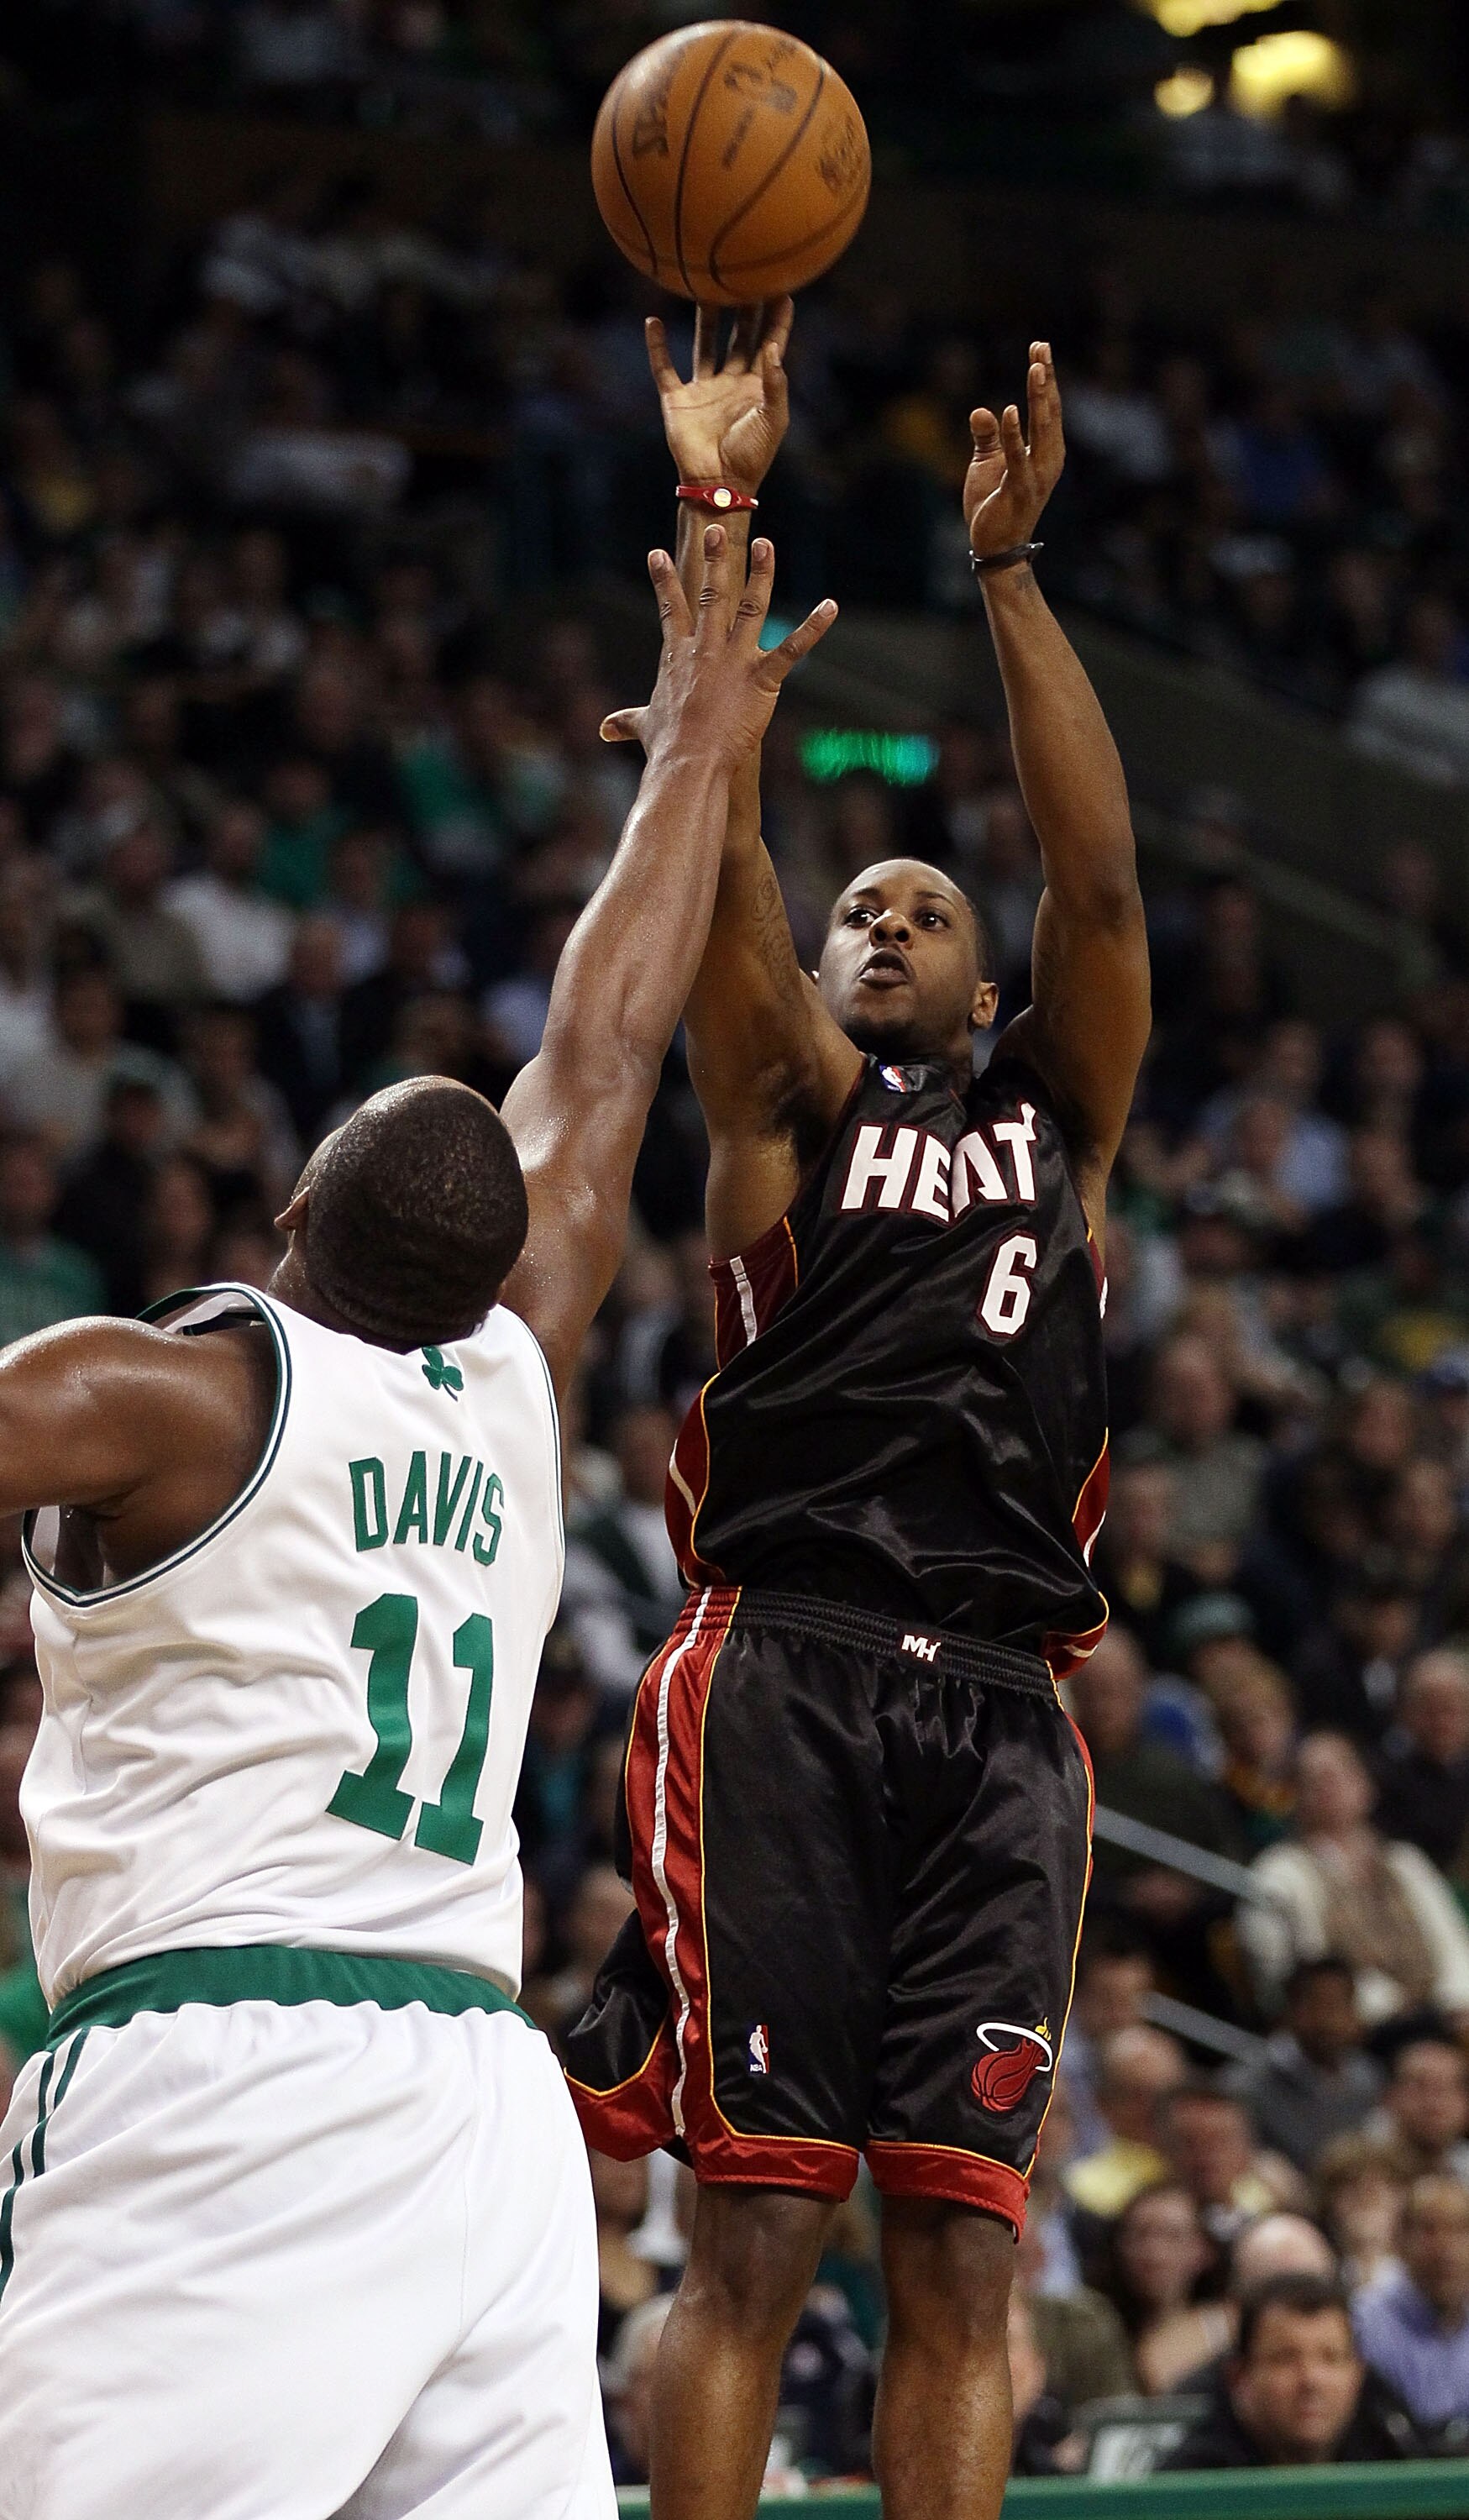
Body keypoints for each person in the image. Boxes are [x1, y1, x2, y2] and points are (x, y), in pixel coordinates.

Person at [0, 529, 836, 2518]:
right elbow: (602, 1052)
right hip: (482, 2099)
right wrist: (699, 755)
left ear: (285, 1223)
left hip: (227, 2077)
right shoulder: (514, 1380)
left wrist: (692, 745)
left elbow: (581, 1061)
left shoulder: (168, 1390)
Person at [568, 315, 1152, 2520]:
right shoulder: (784, 1123)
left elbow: (1098, 886)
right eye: (850, 916)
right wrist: (718, 594)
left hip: (1001, 1711)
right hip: (788, 1672)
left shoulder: (1058, 1118)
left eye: (918, 904)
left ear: (985, 986)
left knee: (961, 2260)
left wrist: (1007, 577)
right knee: (752, 2230)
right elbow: (723, 930)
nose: (878, 921)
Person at [1240, 1730, 1469, 2027]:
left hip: (1443, 2014)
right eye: (1315, 1779)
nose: (1330, 1786)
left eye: (1342, 1772)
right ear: (1295, 1793)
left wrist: (1457, 2004)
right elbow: (1294, 1975)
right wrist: (1392, 2008)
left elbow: (1451, 1942)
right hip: (1359, 2027)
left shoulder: (1405, 1860)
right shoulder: (1279, 1873)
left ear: (1366, 1784)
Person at [1160, 2273, 1414, 2468]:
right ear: (1239, 2376)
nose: (1311, 2380)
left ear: (1358, 2374)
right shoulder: (1190, 2486)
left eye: (1331, 2358)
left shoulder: (1392, 2458)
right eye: (1285, 2359)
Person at [1225, 1956, 1382, 2173]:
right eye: (1320, 2005)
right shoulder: (1246, 2085)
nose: (1331, 2021)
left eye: (1341, 2005)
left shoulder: (1368, 2077)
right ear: (1292, 2009)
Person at [1353, 2172, 1469, 2434]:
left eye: (1460, 2230)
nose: (1445, 2248)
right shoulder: (1363, 2324)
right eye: (1429, 2230)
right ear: (1400, 2241)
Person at [1098, 2181, 1230, 2395]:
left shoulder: (1228, 2326)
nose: (1154, 2253)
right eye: (1141, 2235)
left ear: (1203, 2250)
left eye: (1173, 2236)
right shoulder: (1097, 2328)